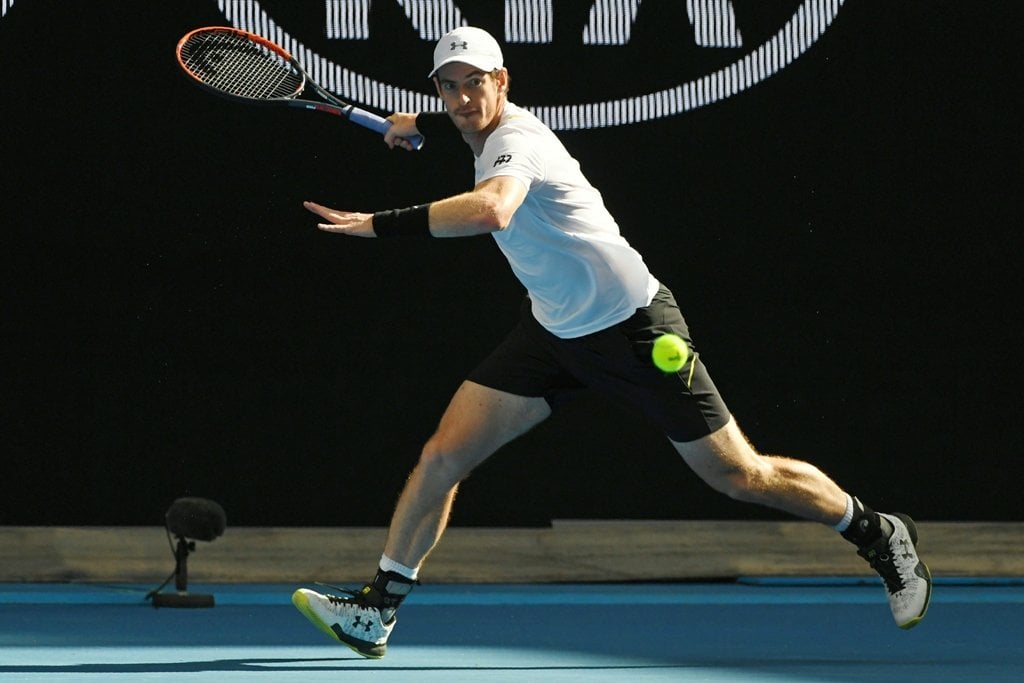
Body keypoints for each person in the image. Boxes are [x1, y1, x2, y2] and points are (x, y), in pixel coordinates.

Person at [291, 26, 931, 659]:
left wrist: (379, 225)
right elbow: (463, 131)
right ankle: (378, 607)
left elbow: (492, 210)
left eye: (476, 84)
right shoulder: (476, 123)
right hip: (553, 332)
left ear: (503, 82)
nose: (463, 99)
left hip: (633, 329)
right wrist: (410, 123)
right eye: (449, 87)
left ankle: (879, 533)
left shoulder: (518, 138)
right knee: (442, 458)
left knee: (741, 474)